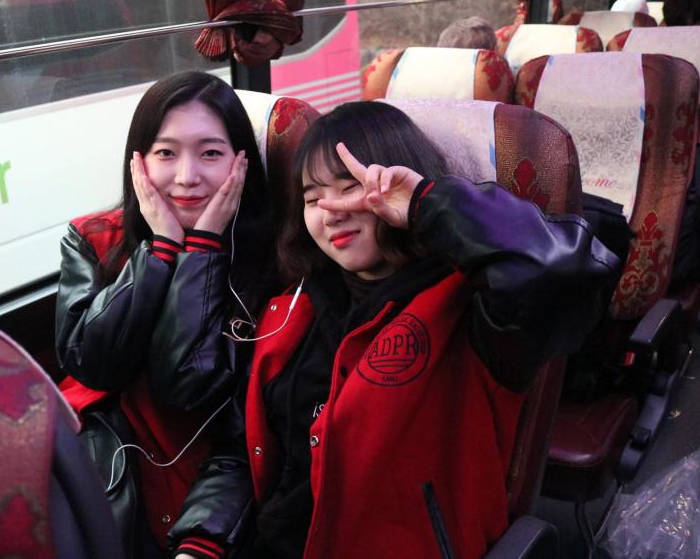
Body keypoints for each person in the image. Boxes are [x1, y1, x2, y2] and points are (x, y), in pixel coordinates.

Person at [182, 101, 620, 558]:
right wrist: (202, 541)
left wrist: (428, 203)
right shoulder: (291, 311)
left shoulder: (475, 312)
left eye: (352, 188)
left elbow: (560, 273)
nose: (331, 211)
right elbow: (242, 449)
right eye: (313, 198)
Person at [55, 71, 277, 559]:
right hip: (109, 469)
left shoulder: (276, 259)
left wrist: (203, 249)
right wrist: (158, 254)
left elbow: (185, 387)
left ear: (241, 160)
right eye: (166, 153)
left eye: (211, 153)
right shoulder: (96, 239)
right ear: (139, 161)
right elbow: (91, 364)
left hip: (218, 480)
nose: (187, 177)